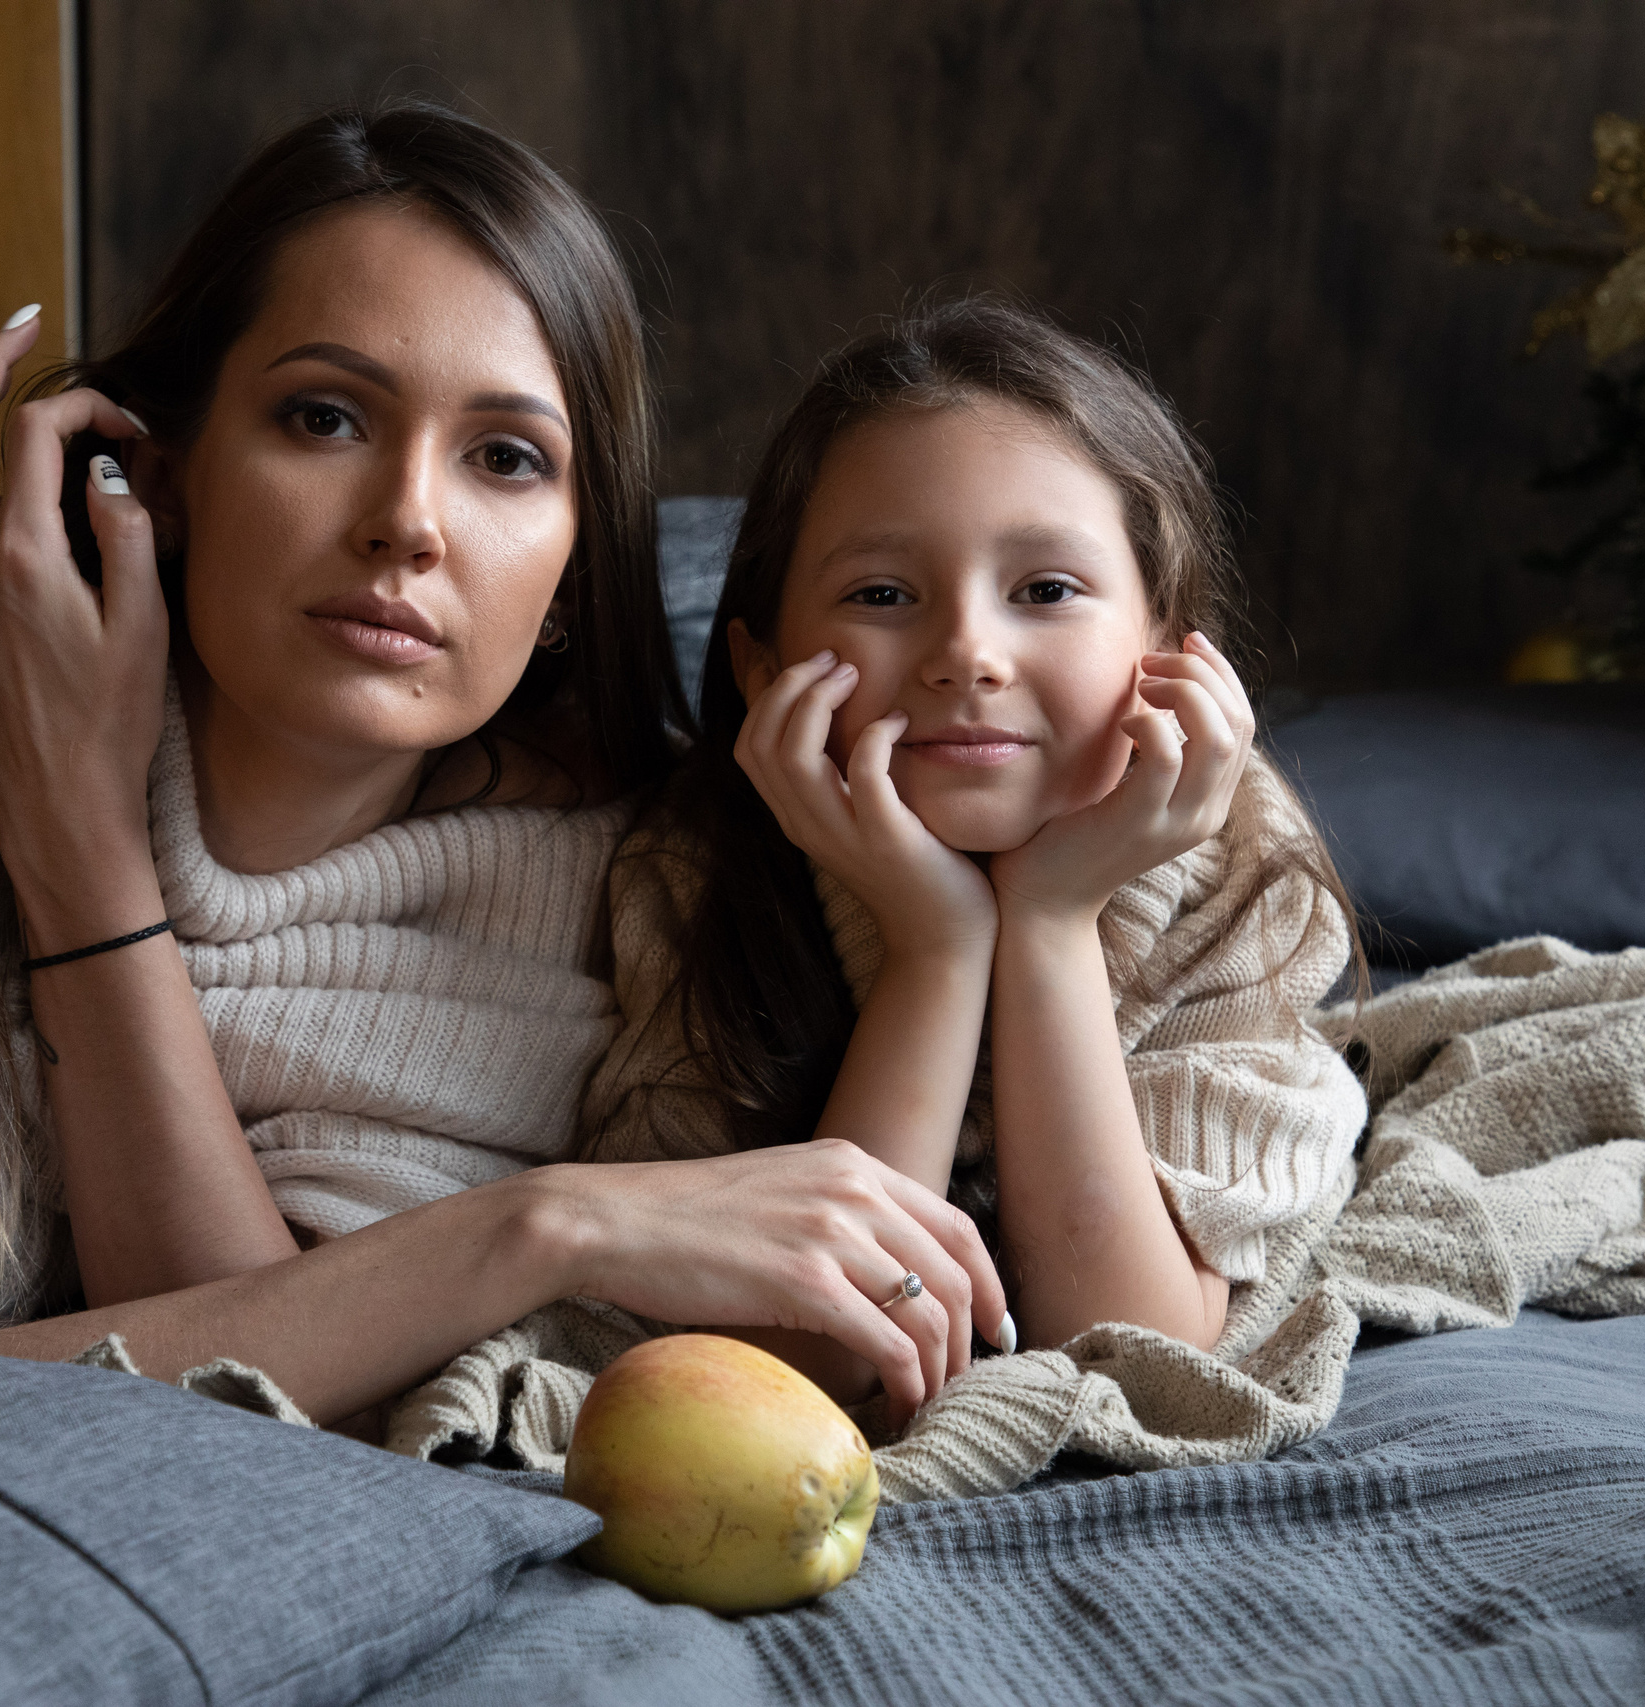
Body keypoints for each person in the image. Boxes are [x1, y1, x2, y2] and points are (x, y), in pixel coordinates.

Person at [0, 103, 1006, 1431]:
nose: (408, 519)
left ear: (570, 561)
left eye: (507, 458)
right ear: (160, 466)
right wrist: (71, 822)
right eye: (324, 415)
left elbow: (267, 1409)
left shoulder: (623, 883)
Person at [581, 295, 1369, 1402]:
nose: (966, 654)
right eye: (883, 593)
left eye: (1045, 591)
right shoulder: (690, 875)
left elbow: (1138, 1349)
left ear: (1164, 648)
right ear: (763, 669)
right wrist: (934, 949)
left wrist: (1048, 922)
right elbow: (791, 1371)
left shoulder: (1238, 864)